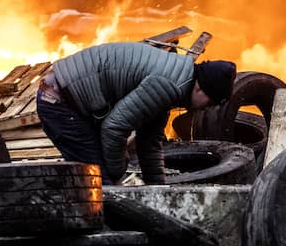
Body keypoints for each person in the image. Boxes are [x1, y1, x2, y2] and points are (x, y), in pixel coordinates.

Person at [38, 42, 235, 184]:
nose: (207, 108)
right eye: (211, 102)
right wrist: (118, 173)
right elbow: (114, 128)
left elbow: (149, 142)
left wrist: (158, 191)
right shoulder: (168, 84)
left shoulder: (177, 81)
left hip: (71, 97)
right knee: (100, 184)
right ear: (201, 88)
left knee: (102, 179)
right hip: (60, 101)